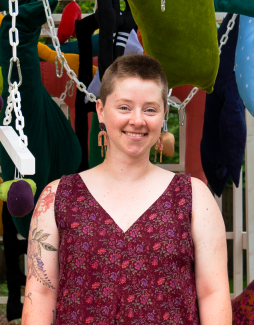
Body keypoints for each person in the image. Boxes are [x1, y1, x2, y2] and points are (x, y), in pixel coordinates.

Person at [21, 54, 232, 325]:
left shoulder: (194, 197)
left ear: (163, 115)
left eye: (150, 109)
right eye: (124, 107)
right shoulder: (57, 197)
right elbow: (40, 294)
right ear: (100, 110)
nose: (137, 120)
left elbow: (213, 294)